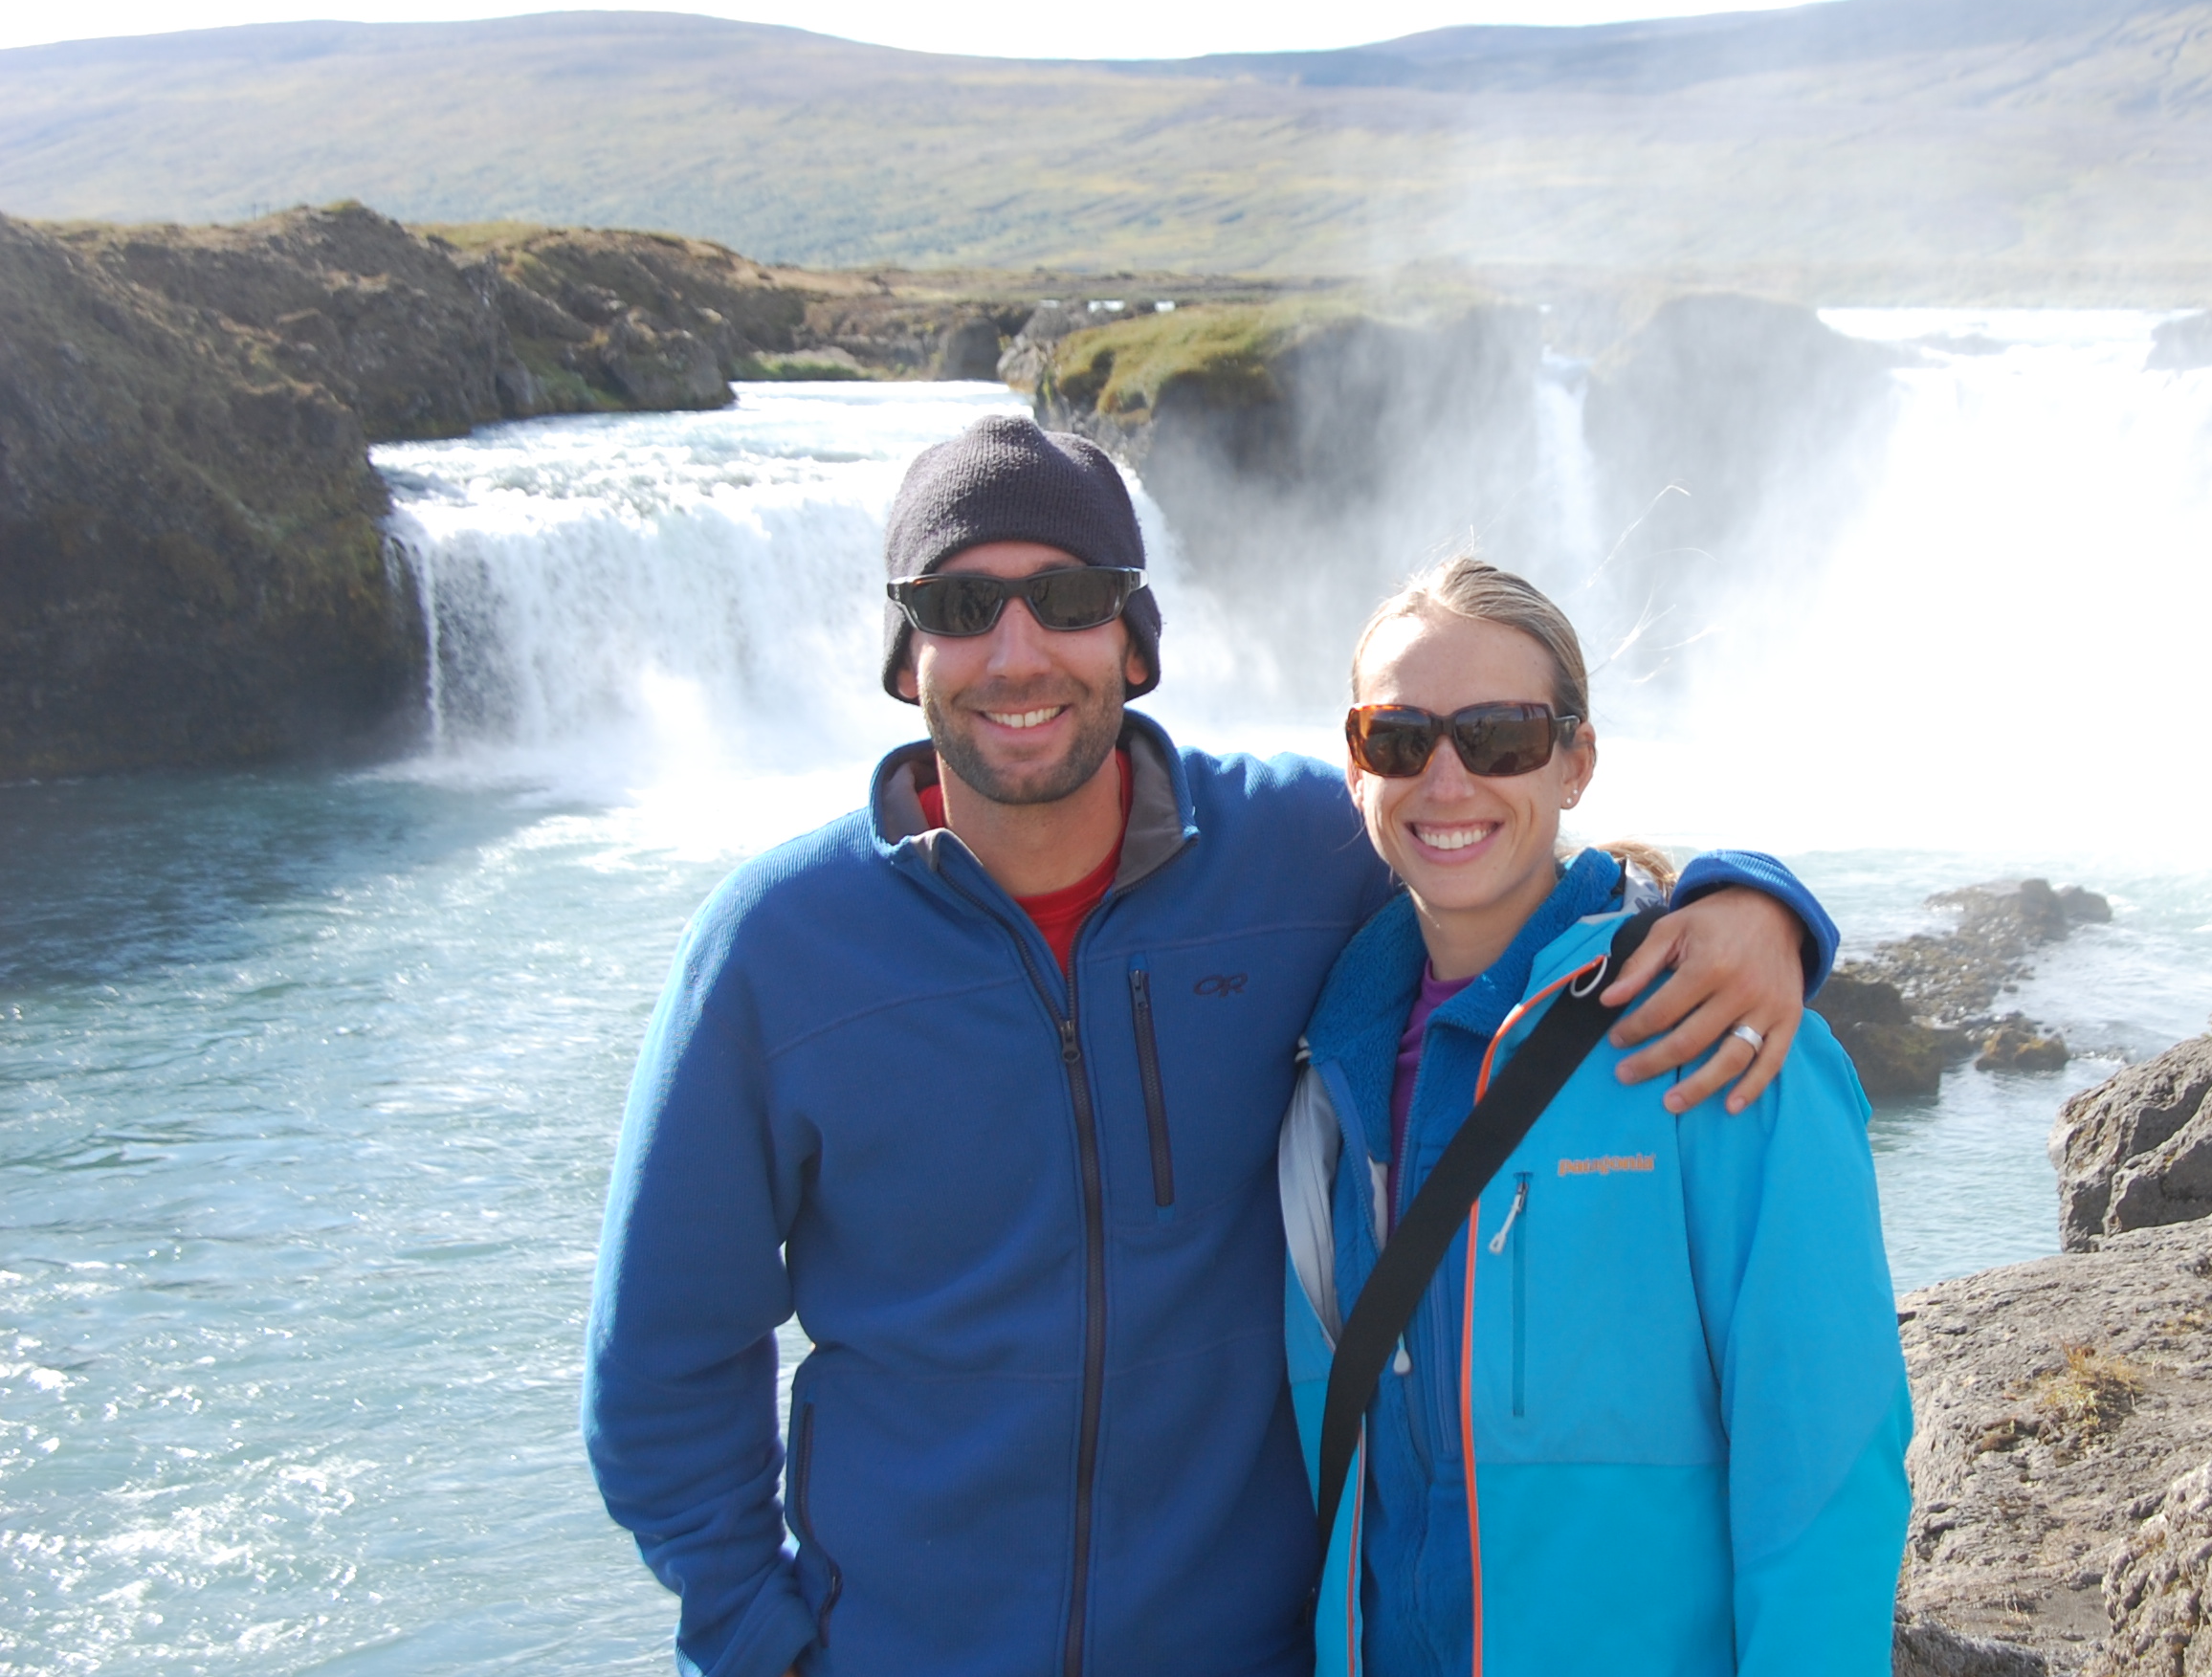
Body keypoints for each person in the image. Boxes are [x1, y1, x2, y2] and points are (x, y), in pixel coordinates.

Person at [582, 416, 1842, 1677]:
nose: (1015, 652)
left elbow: (1501, 861)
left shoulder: (1295, 854)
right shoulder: (777, 950)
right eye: (961, 604)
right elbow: (661, 1366)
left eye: (1068, 599)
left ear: (1132, 639)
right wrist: (758, 1642)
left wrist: (1755, 901)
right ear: (909, 654)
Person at [1280, 558, 1910, 1676]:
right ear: (1353, 763)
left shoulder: (1713, 1031)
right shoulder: (1318, 1064)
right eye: (1399, 736)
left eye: (1502, 736)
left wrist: (1755, 898)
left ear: (1575, 761)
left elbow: (1824, 1462)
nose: (1446, 776)